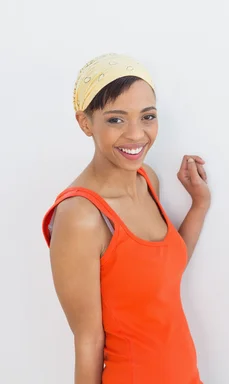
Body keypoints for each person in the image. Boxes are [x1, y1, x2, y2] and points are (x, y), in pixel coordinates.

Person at [41, 53, 210, 384]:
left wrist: (199, 205)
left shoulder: (147, 179)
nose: (136, 134)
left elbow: (161, 273)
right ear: (85, 122)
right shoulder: (81, 216)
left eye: (147, 117)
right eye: (116, 120)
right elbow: (88, 341)